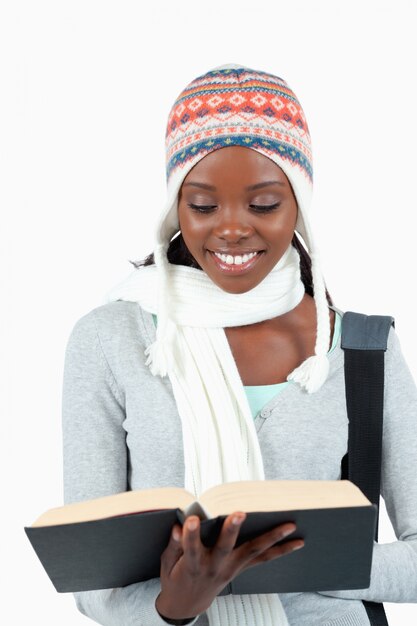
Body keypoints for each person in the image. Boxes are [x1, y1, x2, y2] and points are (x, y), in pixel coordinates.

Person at [62, 64, 417, 626]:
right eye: (203, 206)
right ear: (175, 206)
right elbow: (87, 573)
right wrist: (174, 604)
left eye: (263, 204)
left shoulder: (364, 351)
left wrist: (279, 564)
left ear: (299, 204)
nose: (230, 229)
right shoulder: (110, 340)